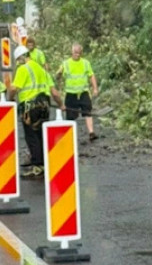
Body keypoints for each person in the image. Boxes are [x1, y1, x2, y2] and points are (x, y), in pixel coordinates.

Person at [8, 45, 64, 179]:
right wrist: (61, 105)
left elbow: (14, 88)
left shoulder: (23, 69)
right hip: (44, 105)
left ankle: (38, 166)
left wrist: (9, 99)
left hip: (29, 107)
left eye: (17, 60)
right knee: (41, 134)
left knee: (32, 136)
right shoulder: (42, 69)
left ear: (21, 58)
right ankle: (44, 163)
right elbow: (54, 92)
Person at [57, 43, 99, 141]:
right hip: (71, 94)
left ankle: (91, 133)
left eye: (79, 53)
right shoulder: (66, 63)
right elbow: (58, 75)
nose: (78, 54)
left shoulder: (85, 63)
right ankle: (69, 136)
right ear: (72, 52)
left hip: (83, 92)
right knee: (70, 116)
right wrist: (58, 75)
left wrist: (95, 88)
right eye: (76, 52)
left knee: (88, 112)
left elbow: (91, 76)